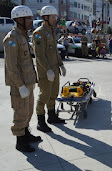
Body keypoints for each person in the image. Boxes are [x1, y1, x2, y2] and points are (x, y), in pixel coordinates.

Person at [3, 5, 41, 152]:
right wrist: (19, 85)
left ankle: (25, 133)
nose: (31, 22)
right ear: (19, 19)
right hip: (20, 84)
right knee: (20, 112)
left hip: (28, 81)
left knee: (28, 110)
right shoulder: (12, 38)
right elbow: (11, 66)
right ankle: (20, 141)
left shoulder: (23, 36)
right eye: (28, 19)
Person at [32, 5, 66, 133]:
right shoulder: (39, 33)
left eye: (55, 17)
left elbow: (55, 52)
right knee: (44, 95)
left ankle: (52, 116)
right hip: (45, 71)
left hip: (54, 70)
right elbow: (39, 55)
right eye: (52, 17)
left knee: (53, 94)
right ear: (45, 17)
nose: (54, 19)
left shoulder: (51, 31)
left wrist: (61, 64)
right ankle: (41, 122)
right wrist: (47, 70)